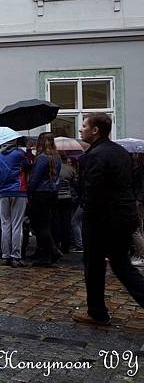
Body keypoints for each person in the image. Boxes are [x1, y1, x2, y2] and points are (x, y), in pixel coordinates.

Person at [73, 113, 144, 326]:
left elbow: (94, 190)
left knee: (94, 267)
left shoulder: (95, 155)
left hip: (102, 219)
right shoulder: (120, 152)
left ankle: (97, 312)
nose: (80, 129)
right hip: (123, 216)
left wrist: (87, 211)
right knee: (122, 265)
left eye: (84, 126)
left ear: (95, 130)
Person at [0, 139, 31, 267]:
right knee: (17, 225)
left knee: (5, 224)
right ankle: (15, 256)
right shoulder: (19, 153)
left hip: (3, 192)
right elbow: (28, 166)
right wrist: (29, 151)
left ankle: (5, 255)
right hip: (19, 190)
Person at [28, 133, 62, 267]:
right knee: (47, 223)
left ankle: (50, 251)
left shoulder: (42, 158)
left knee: (40, 224)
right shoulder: (57, 157)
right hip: (52, 192)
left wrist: (30, 194)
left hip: (41, 193)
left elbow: (35, 178)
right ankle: (44, 251)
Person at [54, 153, 76, 254]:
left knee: (56, 222)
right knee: (66, 222)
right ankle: (65, 246)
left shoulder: (55, 168)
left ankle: (56, 244)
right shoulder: (71, 169)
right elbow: (75, 182)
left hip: (56, 197)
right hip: (67, 197)